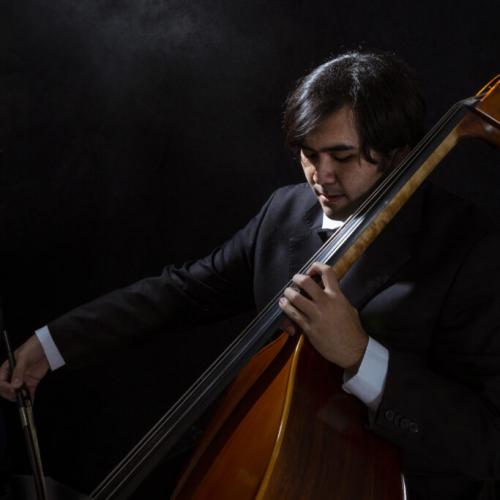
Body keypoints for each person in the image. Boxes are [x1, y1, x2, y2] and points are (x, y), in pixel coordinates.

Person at [1, 50, 500, 500]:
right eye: (309, 153)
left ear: (397, 153)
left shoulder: (468, 248)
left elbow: (486, 441)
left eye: (342, 157)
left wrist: (360, 355)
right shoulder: (284, 212)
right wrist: (51, 344)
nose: (320, 177)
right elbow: (184, 292)